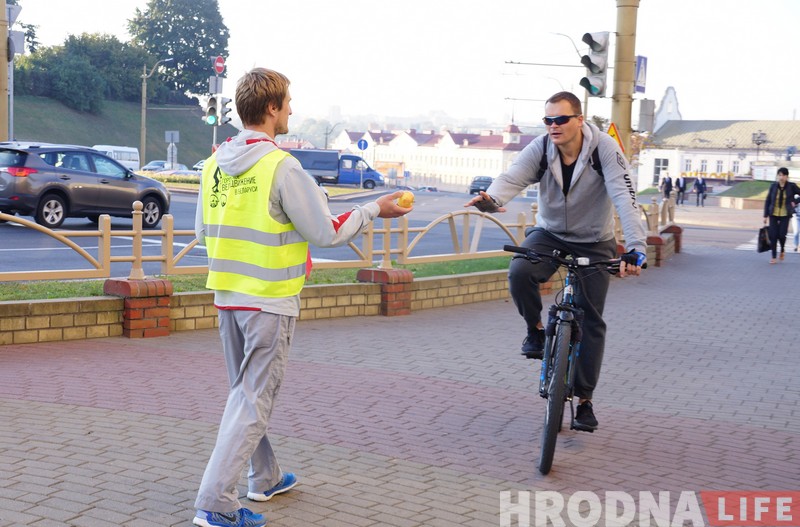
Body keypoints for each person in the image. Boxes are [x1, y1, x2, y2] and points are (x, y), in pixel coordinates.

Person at [192, 67, 411, 527]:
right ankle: (215, 504)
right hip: (269, 300)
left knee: (245, 395)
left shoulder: (214, 164)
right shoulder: (281, 166)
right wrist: (375, 208)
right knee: (253, 400)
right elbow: (324, 231)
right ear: (271, 108)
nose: (292, 109)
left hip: (227, 298)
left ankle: (265, 477)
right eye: (288, 102)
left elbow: (201, 231)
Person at [465, 91, 647, 432]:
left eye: (560, 119)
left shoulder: (605, 150)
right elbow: (514, 176)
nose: (553, 126)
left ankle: (585, 401)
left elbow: (625, 196)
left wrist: (636, 248)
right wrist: (492, 198)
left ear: (579, 120)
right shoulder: (541, 148)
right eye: (548, 120)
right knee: (520, 271)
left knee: (591, 320)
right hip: (549, 233)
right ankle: (535, 331)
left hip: (595, 240)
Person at [763, 167, 800, 264]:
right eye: (780, 175)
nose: (781, 177)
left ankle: (782, 249)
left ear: (787, 176)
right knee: (773, 235)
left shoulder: (791, 186)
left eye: (783, 175)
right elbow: (768, 200)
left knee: (782, 235)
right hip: (773, 214)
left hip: (785, 214)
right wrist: (765, 215)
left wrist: (795, 202)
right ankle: (774, 256)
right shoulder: (773, 186)